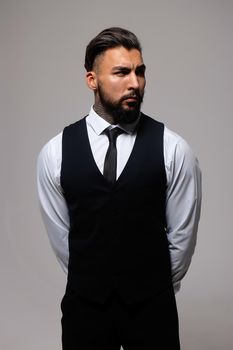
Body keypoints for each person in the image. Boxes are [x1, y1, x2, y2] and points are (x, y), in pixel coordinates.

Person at [37, 27, 202, 350]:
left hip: (152, 309)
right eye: (121, 73)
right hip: (85, 309)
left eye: (140, 72)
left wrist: (151, 288)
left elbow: (182, 236)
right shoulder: (55, 153)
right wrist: (93, 283)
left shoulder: (173, 148)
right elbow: (62, 238)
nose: (135, 83)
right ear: (92, 80)